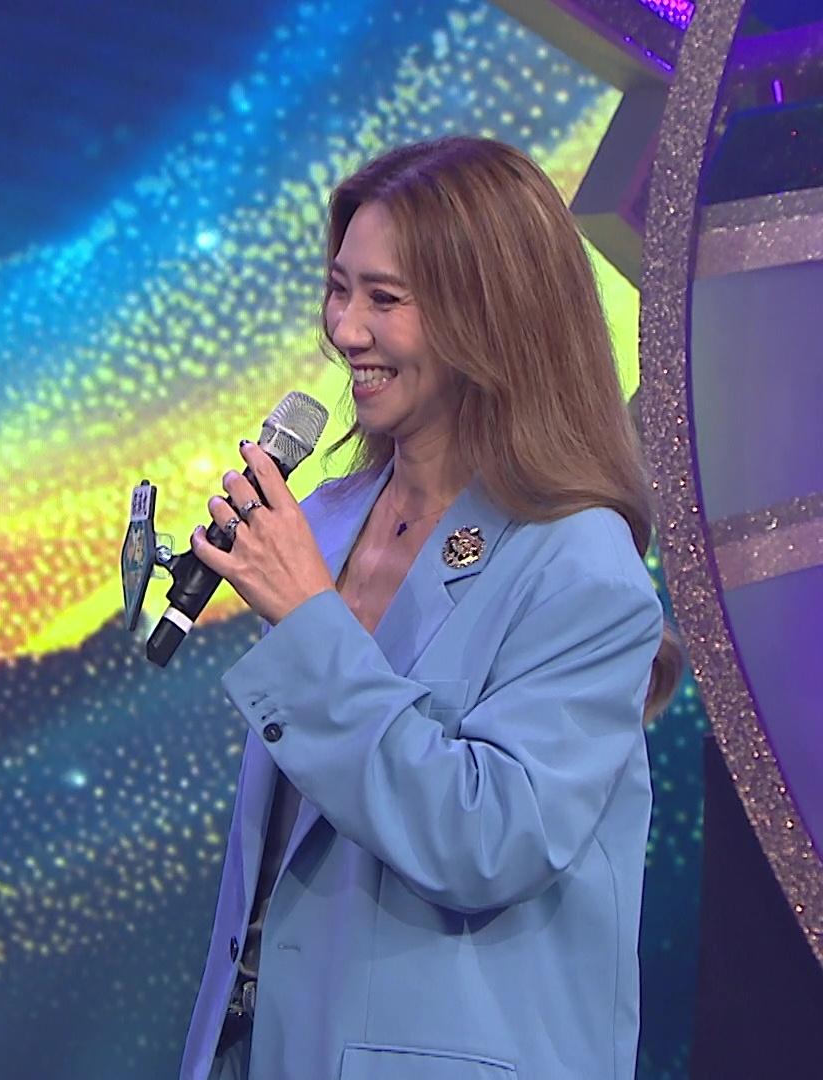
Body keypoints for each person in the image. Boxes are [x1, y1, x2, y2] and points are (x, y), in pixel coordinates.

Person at [175, 136, 682, 1080]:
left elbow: (488, 841)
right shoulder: (326, 520)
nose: (345, 330)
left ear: (491, 314)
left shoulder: (582, 565)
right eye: (339, 289)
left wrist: (311, 621)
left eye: (385, 299)